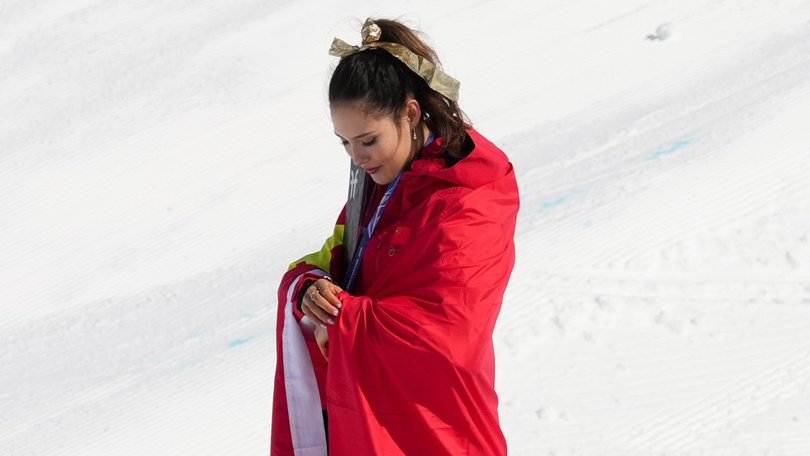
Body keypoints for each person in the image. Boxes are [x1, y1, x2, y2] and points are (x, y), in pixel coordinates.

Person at [271, 18, 519, 456]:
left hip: (440, 424)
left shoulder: (468, 197)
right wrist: (310, 288)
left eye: (368, 140)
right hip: (371, 421)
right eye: (345, 143)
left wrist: (342, 315)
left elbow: (447, 333)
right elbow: (337, 259)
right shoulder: (377, 187)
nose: (357, 158)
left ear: (410, 113)